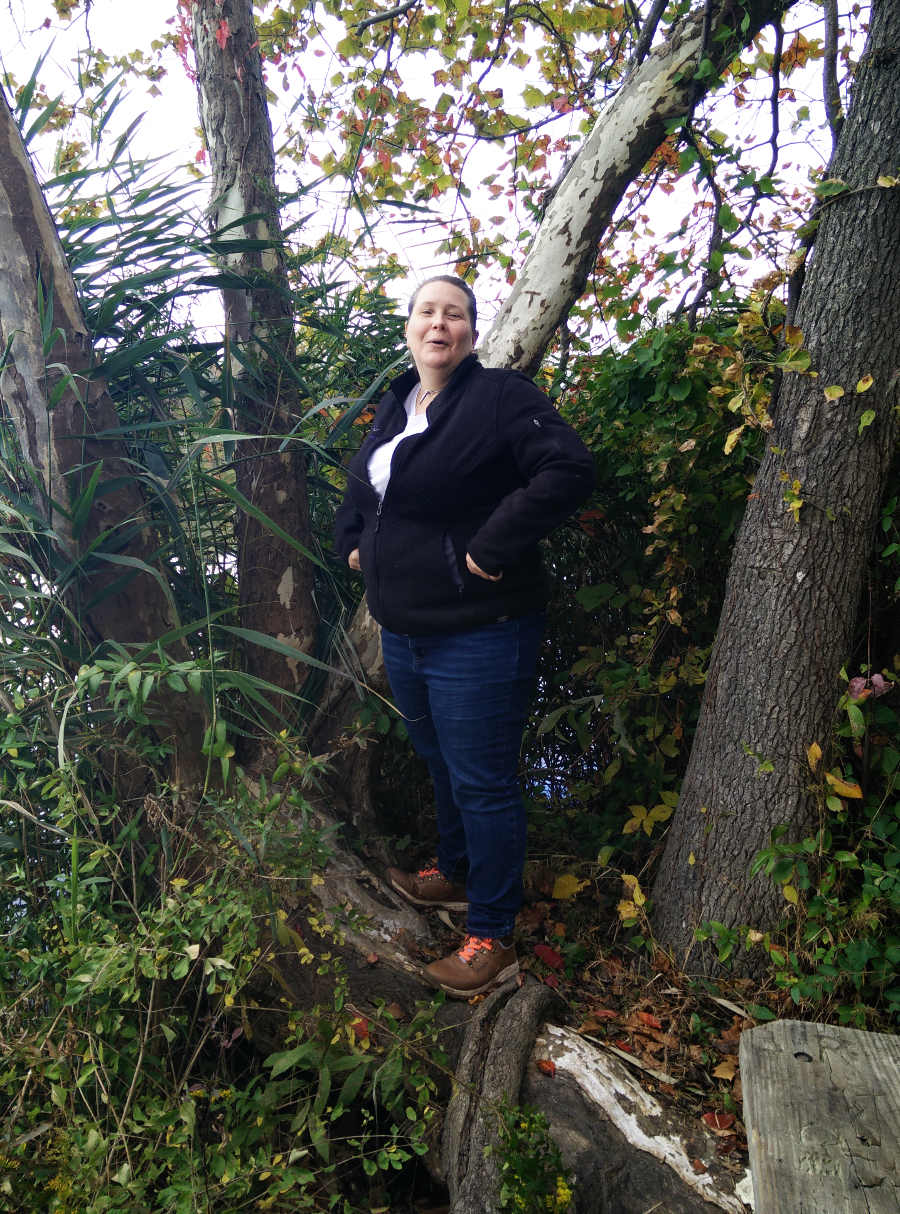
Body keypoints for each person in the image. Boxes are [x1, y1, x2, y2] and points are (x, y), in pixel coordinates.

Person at [334, 276, 594, 997]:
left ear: (472, 334)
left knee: (482, 782)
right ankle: (451, 872)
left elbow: (568, 468)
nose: (438, 324)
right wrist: (352, 542)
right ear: (410, 328)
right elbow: (365, 489)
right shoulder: (399, 404)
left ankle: (492, 935)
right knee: (438, 759)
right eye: (426, 312)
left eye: (454, 314)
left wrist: (490, 546)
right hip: (405, 630)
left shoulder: (499, 397)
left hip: (481, 630)